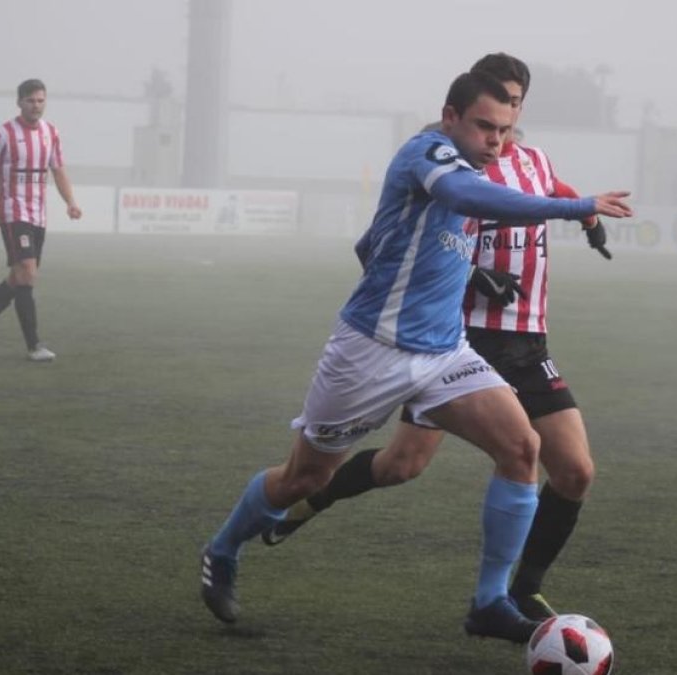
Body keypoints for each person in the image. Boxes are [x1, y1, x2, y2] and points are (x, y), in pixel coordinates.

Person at [199, 70, 633, 645]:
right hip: (369, 352)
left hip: (446, 351)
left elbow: (375, 240)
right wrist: (574, 205)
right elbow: (459, 194)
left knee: (522, 446)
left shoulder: (492, 165)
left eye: (503, 129)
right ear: (450, 117)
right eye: (483, 126)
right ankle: (223, 550)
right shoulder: (426, 153)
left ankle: (490, 602)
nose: (495, 140)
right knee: (304, 476)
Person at [0, 78, 81, 362]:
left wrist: (71, 202)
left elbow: (59, 170)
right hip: (14, 212)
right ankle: (34, 346)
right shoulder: (3, 134)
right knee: (27, 272)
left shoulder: (51, 133)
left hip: (39, 214)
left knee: (18, 279)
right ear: (19, 102)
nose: (36, 106)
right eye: (30, 101)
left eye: (40, 100)